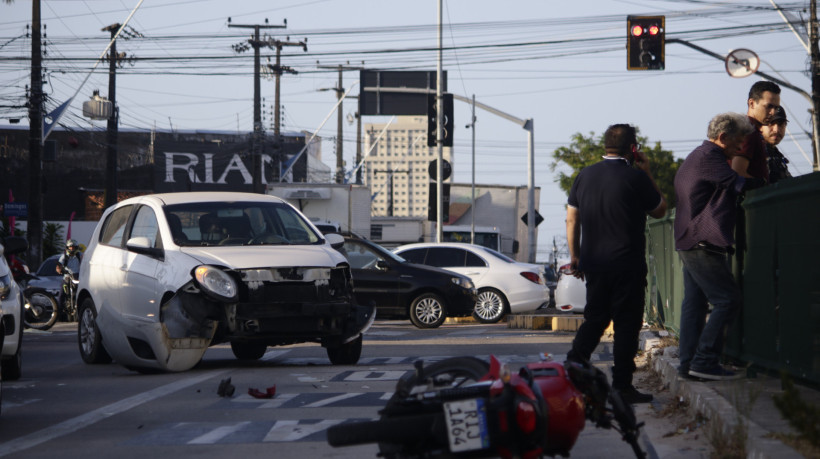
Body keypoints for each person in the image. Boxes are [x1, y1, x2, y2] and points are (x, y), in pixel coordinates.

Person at [565, 124, 667, 404]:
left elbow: (572, 219)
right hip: (627, 264)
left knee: (595, 318)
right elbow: (660, 210)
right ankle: (622, 386)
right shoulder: (635, 178)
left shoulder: (583, 176)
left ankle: (573, 365)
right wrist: (646, 171)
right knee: (626, 324)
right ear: (632, 149)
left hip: (594, 263)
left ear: (605, 146)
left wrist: (576, 256)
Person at [674, 113, 765, 381]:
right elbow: (737, 183)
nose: (740, 148)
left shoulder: (698, 155)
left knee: (695, 303)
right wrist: (764, 183)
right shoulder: (711, 157)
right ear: (723, 137)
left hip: (688, 237)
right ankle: (704, 361)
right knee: (728, 299)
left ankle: (688, 363)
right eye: (738, 142)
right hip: (702, 240)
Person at [731, 80, 781, 182]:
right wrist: (764, 187)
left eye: (776, 108)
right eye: (769, 106)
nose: (773, 112)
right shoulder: (747, 131)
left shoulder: (754, 131)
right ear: (752, 103)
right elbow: (737, 173)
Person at [760, 106, 792, 184]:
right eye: (771, 123)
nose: (776, 130)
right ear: (760, 126)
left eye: (781, 125)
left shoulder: (776, 155)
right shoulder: (755, 148)